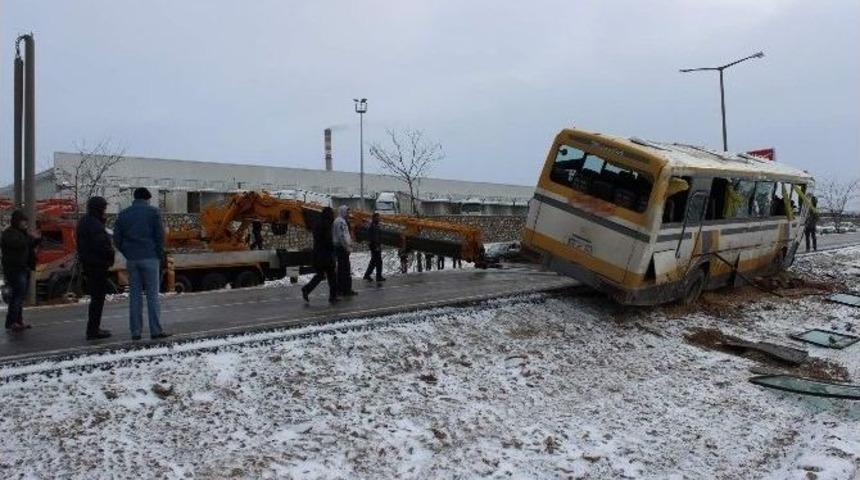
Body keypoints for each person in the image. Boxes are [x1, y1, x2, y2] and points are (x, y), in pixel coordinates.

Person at [113, 187, 170, 340]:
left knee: (135, 296)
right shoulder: (153, 212)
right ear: (147, 198)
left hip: (132, 260)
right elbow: (160, 237)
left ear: (135, 198)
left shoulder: (123, 214)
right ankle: (155, 331)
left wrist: (128, 252)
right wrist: (159, 255)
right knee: (152, 296)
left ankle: (136, 332)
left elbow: (117, 239)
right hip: (150, 257)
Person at [76, 196, 114, 340]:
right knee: (98, 299)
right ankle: (93, 330)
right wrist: (110, 254)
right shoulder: (94, 225)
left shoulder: (85, 222)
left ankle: (94, 328)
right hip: (97, 265)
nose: (105, 211)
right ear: (98, 208)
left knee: (96, 299)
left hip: (90, 264)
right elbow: (101, 245)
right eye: (104, 208)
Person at [2, 210, 39, 331]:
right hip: (15, 269)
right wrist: (29, 239)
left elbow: (29, 244)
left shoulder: (23, 234)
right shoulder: (9, 233)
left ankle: (18, 321)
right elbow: (18, 244)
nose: (25, 224)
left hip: (24, 268)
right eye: (23, 221)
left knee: (20, 296)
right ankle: (11, 322)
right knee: (17, 296)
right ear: (17, 221)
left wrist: (37, 240)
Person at [302, 207, 337, 303]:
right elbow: (328, 240)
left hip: (318, 254)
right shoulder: (327, 225)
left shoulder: (318, 223)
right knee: (332, 276)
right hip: (326, 255)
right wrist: (334, 247)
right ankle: (333, 297)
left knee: (320, 275)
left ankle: (306, 289)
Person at [332, 205, 357, 296]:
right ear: (343, 212)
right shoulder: (341, 222)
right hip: (341, 248)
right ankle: (346, 289)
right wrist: (347, 247)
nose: (348, 214)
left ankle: (342, 289)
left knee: (342, 269)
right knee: (345, 269)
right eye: (347, 212)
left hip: (340, 248)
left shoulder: (339, 221)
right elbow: (342, 236)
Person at [363, 212, 385, 283]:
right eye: (377, 217)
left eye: (379, 217)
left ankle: (368, 275)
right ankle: (378, 276)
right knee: (378, 262)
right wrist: (376, 246)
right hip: (375, 246)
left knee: (374, 261)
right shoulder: (373, 226)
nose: (379, 218)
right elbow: (374, 237)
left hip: (375, 245)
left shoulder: (375, 225)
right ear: (374, 218)